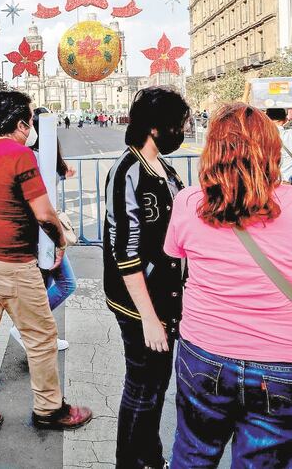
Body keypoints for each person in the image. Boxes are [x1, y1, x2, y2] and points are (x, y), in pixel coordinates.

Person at [0, 91, 92, 439]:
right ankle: (49, 409)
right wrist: (59, 241)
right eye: (28, 121)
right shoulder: (19, 155)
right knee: (42, 337)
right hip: (12, 261)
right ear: (20, 124)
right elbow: (44, 214)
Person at [164, 103, 292, 467]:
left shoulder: (189, 202)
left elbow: (175, 252)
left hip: (204, 351)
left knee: (192, 454)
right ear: (271, 148)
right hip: (280, 361)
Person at [103, 86, 190, 469]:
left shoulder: (165, 169)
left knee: (155, 385)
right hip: (140, 304)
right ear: (156, 127)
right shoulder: (127, 170)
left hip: (164, 296)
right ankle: (131, 462)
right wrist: (149, 319)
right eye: (177, 124)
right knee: (143, 386)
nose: (182, 131)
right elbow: (125, 250)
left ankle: (150, 457)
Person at [9, 106, 76, 351]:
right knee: (66, 284)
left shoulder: (38, 155)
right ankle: (26, 327)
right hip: (43, 231)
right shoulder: (36, 157)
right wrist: (58, 241)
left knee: (45, 287)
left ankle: (42, 334)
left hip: (40, 230)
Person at [266, 107, 292, 182]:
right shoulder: (290, 134)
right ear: (285, 119)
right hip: (289, 182)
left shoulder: (260, 136)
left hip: (270, 184)